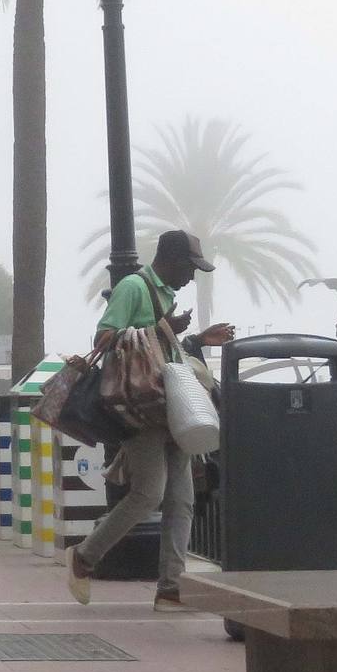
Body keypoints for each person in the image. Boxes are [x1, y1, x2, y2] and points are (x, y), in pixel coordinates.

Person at [65, 230, 233, 612]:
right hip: (141, 410)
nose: (191, 277)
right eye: (189, 268)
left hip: (170, 406)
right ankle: (84, 556)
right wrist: (162, 329)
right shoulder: (133, 287)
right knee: (149, 493)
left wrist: (195, 339)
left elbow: (160, 352)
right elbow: (104, 338)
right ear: (170, 260)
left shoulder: (167, 295)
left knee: (182, 500)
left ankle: (170, 588)